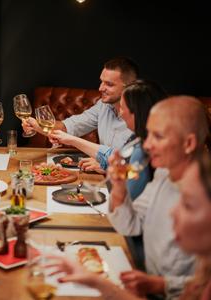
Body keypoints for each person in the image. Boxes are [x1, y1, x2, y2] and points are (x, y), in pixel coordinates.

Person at [46, 152, 211, 300]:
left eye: (188, 205)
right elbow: (131, 222)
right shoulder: (202, 277)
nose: (172, 212)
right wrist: (95, 281)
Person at [106, 96, 210, 298]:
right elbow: (131, 224)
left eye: (158, 136)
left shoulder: (205, 189)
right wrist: (119, 188)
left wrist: (161, 285)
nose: (147, 145)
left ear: (188, 143)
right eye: (149, 134)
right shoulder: (163, 174)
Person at [50, 79, 167, 200]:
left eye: (122, 108)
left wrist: (112, 173)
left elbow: (132, 198)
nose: (120, 114)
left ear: (136, 112)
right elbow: (114, 156)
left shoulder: (143, 149)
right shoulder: (139, 138)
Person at [23, 56, 138, 172]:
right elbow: (67, 127)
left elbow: (137, 166)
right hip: (106, 178)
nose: (100, 88)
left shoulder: (143, 117)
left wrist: (107, 167)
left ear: (129, 87)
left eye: (109, 84)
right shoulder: (103, 106)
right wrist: (36, 125)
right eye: (101, 82)